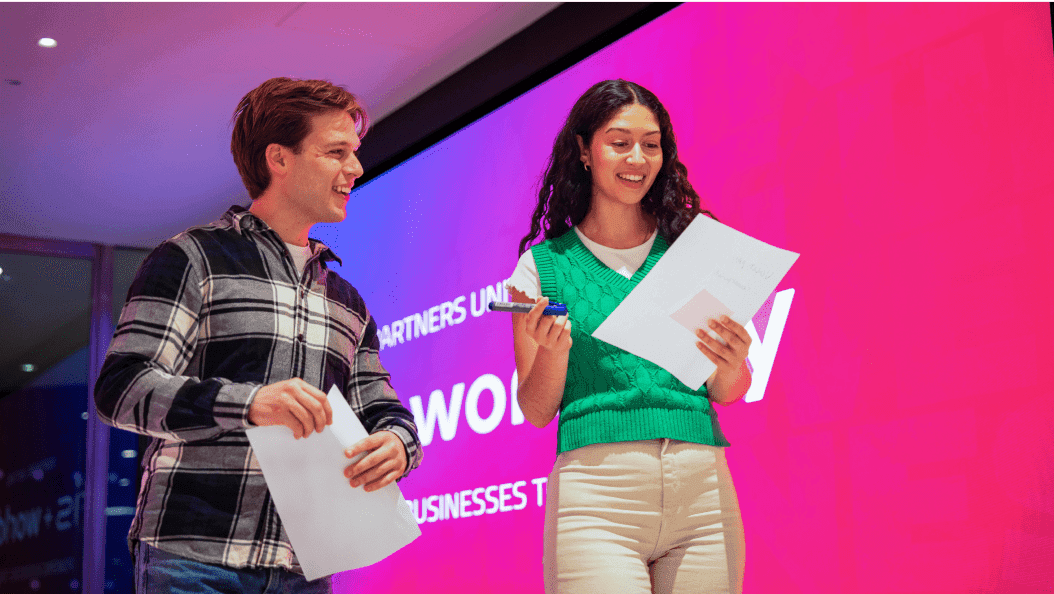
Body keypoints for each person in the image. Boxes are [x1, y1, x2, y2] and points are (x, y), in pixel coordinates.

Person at [94, 77, 422, 593]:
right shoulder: (193, 258)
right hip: (194, 558)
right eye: (336, 152)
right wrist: (249, 404)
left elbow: (384, 410)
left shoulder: (346, 300)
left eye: (354, 152)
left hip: (303, 571)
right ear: (279, 158)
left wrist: (398, 446)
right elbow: (122, 389)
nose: (355, 168)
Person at [506, 79, 751, 594]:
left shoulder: (692, 250)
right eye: (619, 142)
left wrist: (732, 361)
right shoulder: (542, 268)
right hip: (596, 501)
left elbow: (728, 390)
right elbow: (536, 409)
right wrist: (553, 353)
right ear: (584, 150)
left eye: (651, 144)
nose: (637, 158)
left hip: (703, 491)